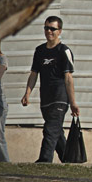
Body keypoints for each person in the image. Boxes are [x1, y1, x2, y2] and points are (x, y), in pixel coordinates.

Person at [22, 16, 77, 163]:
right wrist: (27, 93)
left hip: (60, 97)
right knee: (56, 131)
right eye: (46, 28)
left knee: (50, 129)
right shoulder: (39, 51)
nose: (49, 31)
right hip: (45, 98)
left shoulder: (64, 51)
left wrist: (73, 103)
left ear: (59, 31)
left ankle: (44, 160)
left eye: (52, 29)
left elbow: (68, 78)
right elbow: (34, 74)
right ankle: (70, 160)